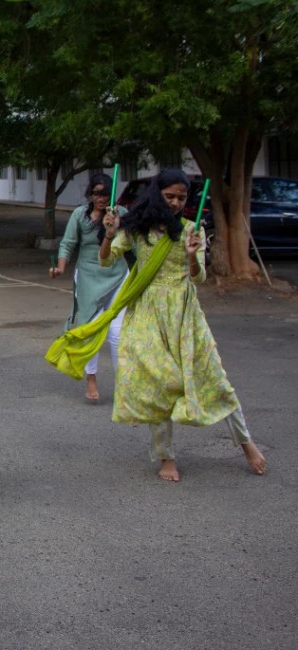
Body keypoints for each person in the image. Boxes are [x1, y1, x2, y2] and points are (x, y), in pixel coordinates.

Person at [72, 168, 266, 482]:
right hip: (149, 313)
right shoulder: (139, 229)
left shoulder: (192, 230)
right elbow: (106, 260)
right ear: (156, 195)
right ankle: (166, 456)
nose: (176, 202)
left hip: (185, 315)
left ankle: (246, 443)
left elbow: (199, 277)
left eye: (181, 197)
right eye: (169, 196)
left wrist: (192, 255)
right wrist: (108, 235)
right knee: (161, 387)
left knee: (216, 380)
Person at [50, 174, 129, 402]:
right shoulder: (80, 215)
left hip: (117, 275)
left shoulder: (120, 214)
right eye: (96, 193)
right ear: (90, 194)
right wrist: (60, 268)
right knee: (90, 330)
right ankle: (91, 378)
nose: (101, 198)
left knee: (116, 333)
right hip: (87, 277)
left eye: (105, 193)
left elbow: (134, 241)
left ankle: (123, 385)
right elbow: (67, 243)